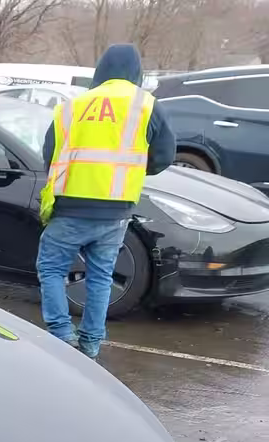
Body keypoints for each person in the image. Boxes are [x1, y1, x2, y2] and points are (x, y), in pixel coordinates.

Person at [37, 44, 175, 361]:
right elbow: (164, 156)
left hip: (70, 207)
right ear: (136, 71)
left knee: (52, 270)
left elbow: (50, 154)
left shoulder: (72, 106)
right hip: (115, 210)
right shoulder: (147, 105)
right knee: (101, 277)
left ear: (101, 69)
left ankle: (60, 336)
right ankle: (90, 345)